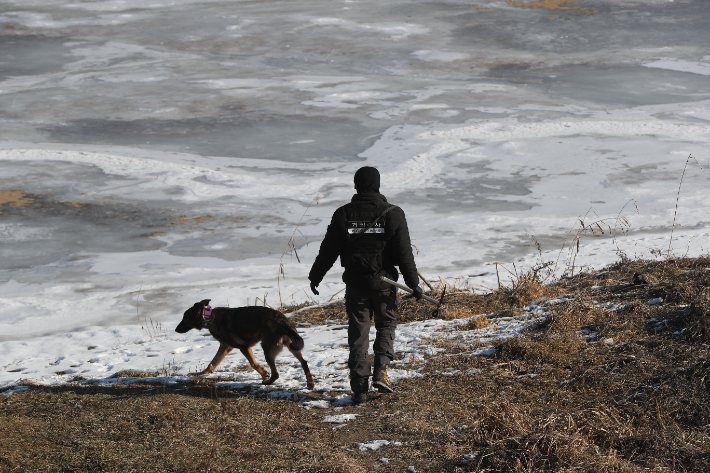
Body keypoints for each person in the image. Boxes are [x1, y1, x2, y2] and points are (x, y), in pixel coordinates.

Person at [308, 166, 422, 404]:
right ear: (378, 185)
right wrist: (414, 284)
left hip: (356, 285)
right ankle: (381, 371)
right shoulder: (393, 213)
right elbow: (404, 255)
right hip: (385, 284)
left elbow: (327, 251)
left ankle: (359, 388)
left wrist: (315, 276)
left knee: (358, 333)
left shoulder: (343, 214)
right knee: (386, 325)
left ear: (356, 185)